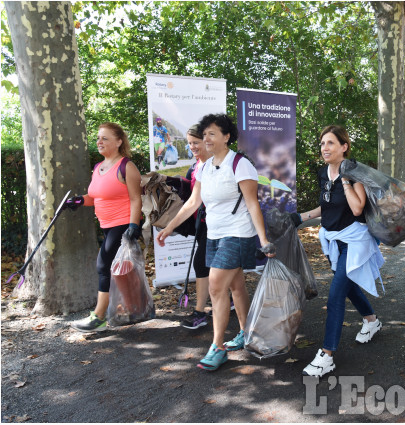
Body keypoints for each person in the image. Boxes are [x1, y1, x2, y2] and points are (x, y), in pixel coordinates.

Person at [156, 114, 275, 371]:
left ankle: (218, 346)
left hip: (238, 234)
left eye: (211, 134)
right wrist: (169, 227)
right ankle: (245, 333)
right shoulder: (205, 167)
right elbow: (192, 203)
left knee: (216, 287)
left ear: (226, 137)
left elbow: (253, 204)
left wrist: (263, 240)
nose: (206, 139)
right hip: (214, 235)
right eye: (204, 134)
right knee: (236, 286)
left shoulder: (240, 165)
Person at [297, 125, 384, 378]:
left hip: (355, 242)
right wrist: (300, 217)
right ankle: (371, 320)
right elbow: (327, 207)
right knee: (349, 285)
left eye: (331, 143)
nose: (325, 148)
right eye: (323, 143)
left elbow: (357, 209)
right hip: (333, 240)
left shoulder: (355, 172)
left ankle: (327, 356)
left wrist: (345, 178)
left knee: (335, 295)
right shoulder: (323, 172)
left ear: (344, 147)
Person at [68, 122, 143, 332]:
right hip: (106, 224)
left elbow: (136, 199)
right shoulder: (98, 167)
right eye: (98, 138)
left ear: (119, 142)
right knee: (117, 270)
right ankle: (133, 308)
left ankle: (98, 317)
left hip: (122, 223)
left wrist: (133, 226)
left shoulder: (126, 166)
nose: (99, 142)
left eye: (105, 138)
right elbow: (96, 197)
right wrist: (78, 201)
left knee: (103, 266)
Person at [165, 125, 213, 330]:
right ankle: (228, 301)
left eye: (196, 142)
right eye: (190, 143)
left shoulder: (215, 165)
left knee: (201, 263)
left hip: (217, 224)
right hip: (201, 224)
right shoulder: (195, 168)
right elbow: (190, 198)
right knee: (223, 269)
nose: (192, 146)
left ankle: (200, 312)